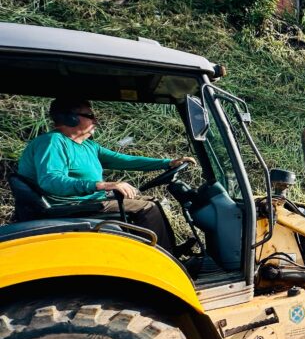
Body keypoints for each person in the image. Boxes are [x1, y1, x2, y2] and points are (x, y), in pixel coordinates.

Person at [18, 98, 195, 252]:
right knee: (146, 208)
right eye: (90, 115)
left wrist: (167, 163)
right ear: (70, 118)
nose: (96, 120)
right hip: (71, 206)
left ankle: (168, 250)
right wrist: (102, 185)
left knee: (151, 202)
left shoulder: (87, 146)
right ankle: (164, 259)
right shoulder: (52, 142)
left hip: (89, 201)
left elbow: (123, 160)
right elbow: (51, 180)